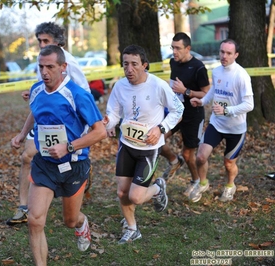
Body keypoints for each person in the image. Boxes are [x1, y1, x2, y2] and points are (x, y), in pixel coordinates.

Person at [24, 45, 106, 265]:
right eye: (41, 67)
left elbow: (100, 131)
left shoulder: (77, 95)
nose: (44, 72)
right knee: (35, 220)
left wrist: (68, 147)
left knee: (69, 220)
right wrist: (21, 134)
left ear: (63, 67)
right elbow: (35, 110)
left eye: (50, 67)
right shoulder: (36, 89)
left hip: (73, 164)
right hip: (44, 164)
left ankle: (81, 224)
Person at [7, 22, 90, 226]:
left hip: (66, 126)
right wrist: (34, 93)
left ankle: (82, 174)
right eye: (39, 41)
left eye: (46, 41)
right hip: (43, 122)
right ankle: (24, 207)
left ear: (58, 42)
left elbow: (84, 92)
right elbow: (45, 87)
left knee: (62, 160)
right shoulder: (42, 59)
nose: (42, 44)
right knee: (27, 156)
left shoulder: (67, 61)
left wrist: (83, 128)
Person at [103, 45, 184, 244]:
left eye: (134, 64)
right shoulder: (120, 86)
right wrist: (108, 123)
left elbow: (178, 109)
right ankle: (132, 228)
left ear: (145, 66)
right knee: (122, 192)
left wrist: (161, 128)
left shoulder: (158, 85)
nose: (129, 69)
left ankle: (158, 188)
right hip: (126, 145)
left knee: (136, 197)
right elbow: (113, 113)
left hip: (148, 149)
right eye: (125, 64)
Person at [189, 39, 254, 202]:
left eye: (229, 53)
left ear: (236, 55)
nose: (224, 56)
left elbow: (249, 104)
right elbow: (213, 92)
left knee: (228, 163)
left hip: (235, 128)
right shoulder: (217, 71)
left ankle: (230, 186)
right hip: (216, 123)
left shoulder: (241, 75)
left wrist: (227, 111)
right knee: (200, 157)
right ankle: (203, 183)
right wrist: (202, 102)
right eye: (222, 52)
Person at [160, 33, 211, 198]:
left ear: (188, 48)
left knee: (189, 154)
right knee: (156, 140)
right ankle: (174, 161)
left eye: (178, 48)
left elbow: (206, 93)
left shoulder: (198, 67)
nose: (174, 52)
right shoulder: (173, 62)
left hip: (192, 115)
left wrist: (186, 91)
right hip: (175, 112)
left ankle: (196, 181)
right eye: (172, 48)